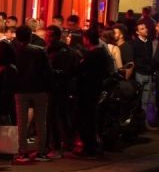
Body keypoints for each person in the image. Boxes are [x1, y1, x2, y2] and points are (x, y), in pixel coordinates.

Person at [13, 26, 54, 163]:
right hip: (39, 89)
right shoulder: (39, 51)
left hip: (21, 89)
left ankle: (22, 152)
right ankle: (40, 152)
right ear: (30, 36)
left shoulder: (15, 51)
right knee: (41, 121)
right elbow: (48, 71)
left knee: (22, 122)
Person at [75, 30, 112, 158]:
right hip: (95, 89)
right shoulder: (102, 53)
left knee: (86, 119)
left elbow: (80, 71)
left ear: (88, 40)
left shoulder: (92, 55)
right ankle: (92, 146)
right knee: (91, 119)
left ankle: (89, 147)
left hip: (88, 91)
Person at [45, 25, 78, 155]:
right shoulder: (68, 51)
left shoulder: (54, 51)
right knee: (63, 116)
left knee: (55, 116)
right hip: (62, 87)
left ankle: (57, 143)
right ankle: (66, 142)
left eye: (50, 35)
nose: (48, 38)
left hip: (56, 87)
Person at [131, 22, 154, 129]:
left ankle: (145, 123)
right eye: (142, 28)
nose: (145, 30)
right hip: (140, 73)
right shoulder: (135, 43)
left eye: (145, 27)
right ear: (137, 32)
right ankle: (137, 124)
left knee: (146, 100)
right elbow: (135, 59)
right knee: (138, 100)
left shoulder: (149, 42)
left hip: (148, 74)